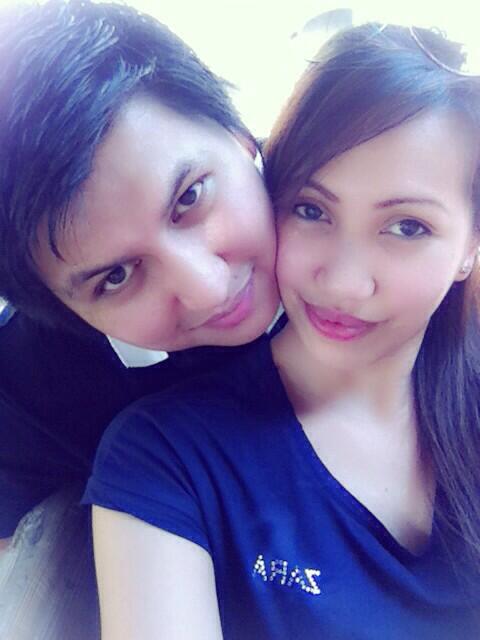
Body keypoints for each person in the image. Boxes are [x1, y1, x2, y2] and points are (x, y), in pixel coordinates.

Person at [83, 22, 480, 639]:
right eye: (311, 210)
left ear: (469, 248)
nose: (344, 282)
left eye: (407, 227)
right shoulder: (166, 456)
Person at [0, 0, 279, 547]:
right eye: (117, 277)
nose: (207, 290)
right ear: (63, 311)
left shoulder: (371, 209)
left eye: (190, 198)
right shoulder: (34, 388)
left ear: (238, 134)